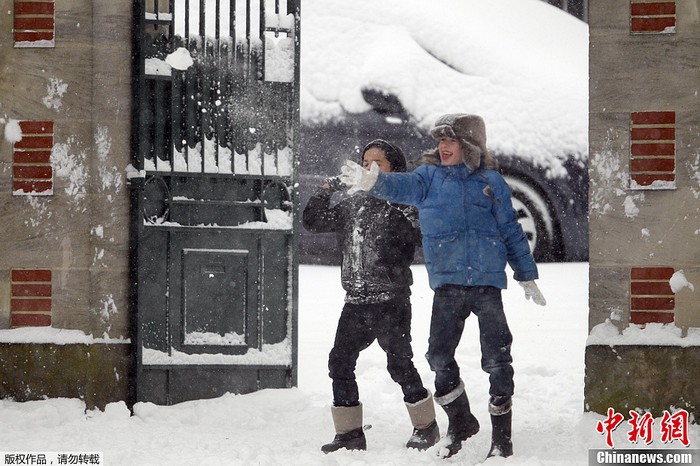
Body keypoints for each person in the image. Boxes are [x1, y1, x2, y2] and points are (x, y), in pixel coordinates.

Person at [338, 114, 547, 459]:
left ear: (470, 146)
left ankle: (502, 439)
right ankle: (461, 421)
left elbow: (511, 230)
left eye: (451, 141)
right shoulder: (428, 178)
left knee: (497, 359)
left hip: (486, 285)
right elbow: (400, 186)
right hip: (448, 285)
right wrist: (373, 181)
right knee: (438, 356)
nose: (444, 147)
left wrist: (526, 274)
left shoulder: (491, 181)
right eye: (441, 141)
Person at [303, 139, 440, 453]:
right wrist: (328, 188)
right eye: (365, 163)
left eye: (377, 163)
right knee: (339, 362)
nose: (369, 168)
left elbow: (420, 235)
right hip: (355, 301)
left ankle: (426, 427)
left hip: (391, 300)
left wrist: (393, 195)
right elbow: (312, 221)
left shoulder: (401, 205)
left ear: (394, 169)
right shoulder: (354, 201)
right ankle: (349, 434)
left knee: (399, 365)